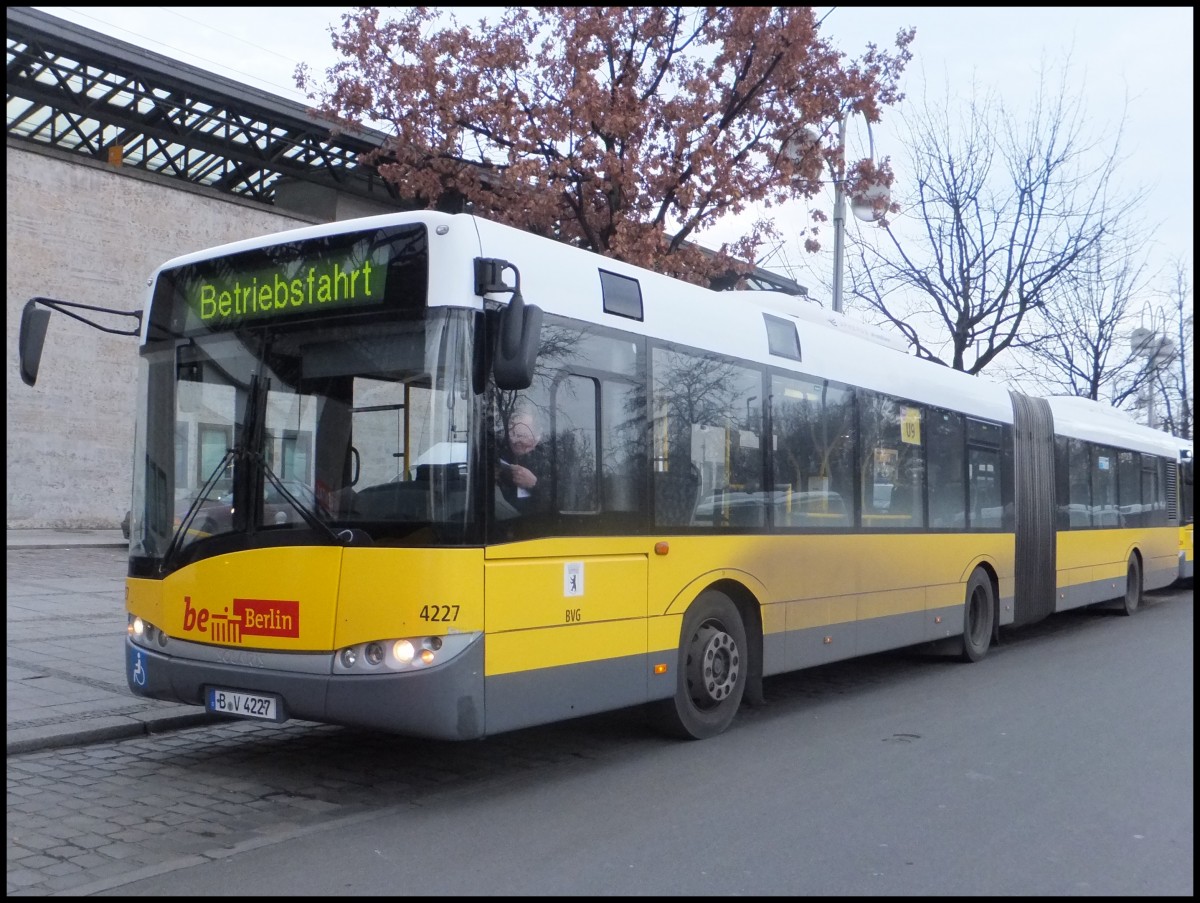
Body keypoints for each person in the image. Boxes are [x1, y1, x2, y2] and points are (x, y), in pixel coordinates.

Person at [497, 409, 551, 514]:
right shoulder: (502, 451)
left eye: (521, 435)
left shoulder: (551, 457)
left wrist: (534, 485)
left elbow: (563, 501)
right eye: (512, 434)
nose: (515, 440)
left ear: (537, 434)